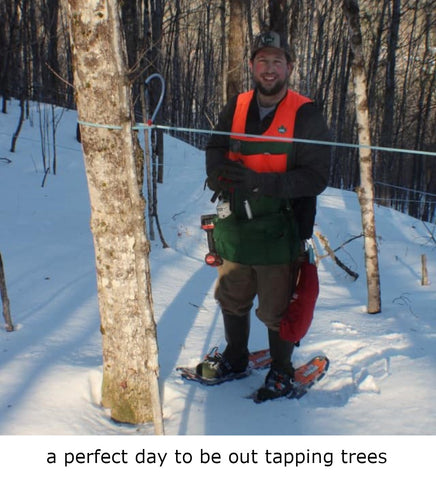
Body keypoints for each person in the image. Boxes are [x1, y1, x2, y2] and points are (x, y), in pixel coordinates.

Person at [197, 31, 331, 400]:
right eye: (262, 61)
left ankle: (282, 370)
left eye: (277, 62)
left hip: (280, 227)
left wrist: (261, 182)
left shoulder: (306, 113)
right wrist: (216, 172)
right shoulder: (236, 105)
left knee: (276, 309)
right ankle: (236, 358)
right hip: (234, 225)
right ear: (252, 66)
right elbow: (215, 145)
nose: (269, 69)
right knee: (231, 297)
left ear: (289, 66)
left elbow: (317, 177)